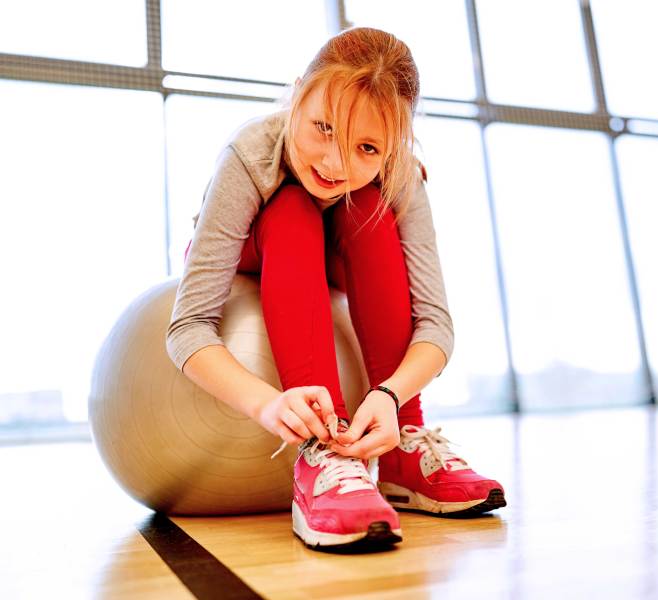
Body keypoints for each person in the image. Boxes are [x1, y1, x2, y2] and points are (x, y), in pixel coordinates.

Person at [166, 27, 505, 550]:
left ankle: (400, 450)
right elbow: (187, 327)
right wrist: (266, 405)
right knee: (294, 207)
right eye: (322, 127)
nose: (334, 164)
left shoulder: (398, 175)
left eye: (367, 147)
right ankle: (322, 452)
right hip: (255, 253)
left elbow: (436, 324)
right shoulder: (251, 152)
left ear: (395, 145)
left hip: (336, 262)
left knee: (368, 207)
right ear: (297, 94)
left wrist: (392, 397)